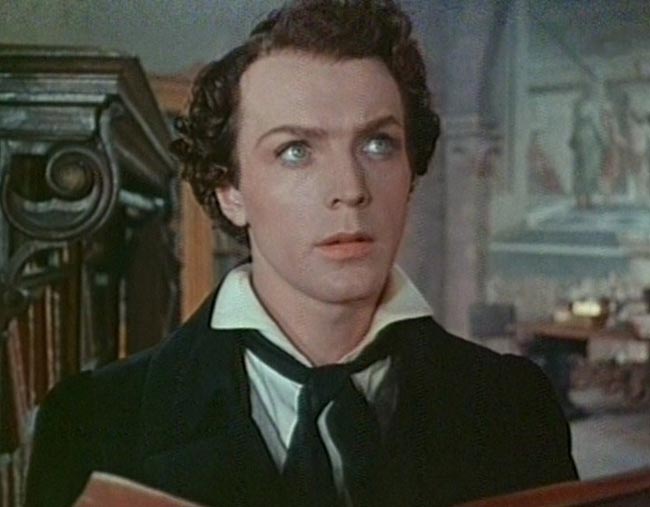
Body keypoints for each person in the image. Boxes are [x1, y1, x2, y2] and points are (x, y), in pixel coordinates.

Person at [26, 1, 578, 506]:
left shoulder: (512, 404)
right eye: (295, 151)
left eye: (378, 144)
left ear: (411, 170)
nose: (350, 188)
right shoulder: (93, 421)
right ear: (229, 190)